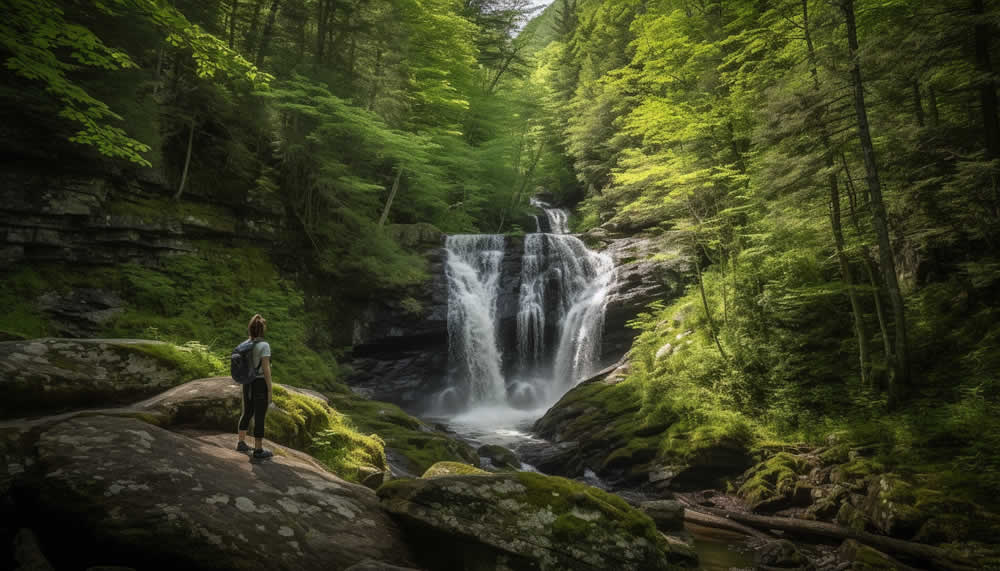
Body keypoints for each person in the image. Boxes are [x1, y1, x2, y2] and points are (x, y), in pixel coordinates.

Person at [237, 314, 274, 459]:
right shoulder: (264, 346)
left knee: (247, 411)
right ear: (262, 329)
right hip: (259, 383)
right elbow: (266, 370)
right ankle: (258, 450)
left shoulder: (245, 344)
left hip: (247, 381)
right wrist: (270, 389)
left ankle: (241, 442)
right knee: (259, 415)